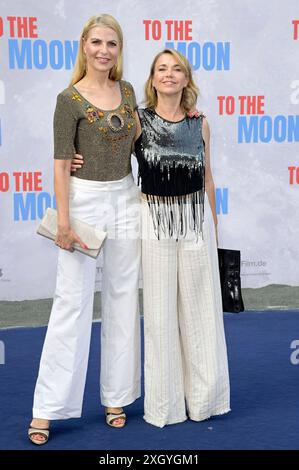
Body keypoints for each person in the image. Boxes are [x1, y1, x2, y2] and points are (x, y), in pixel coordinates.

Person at [72, 49, 230, 428]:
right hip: (154, 220)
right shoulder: (138, 121)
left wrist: (214, 224)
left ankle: (204, 401)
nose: (169, 75)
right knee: (159, 314)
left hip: (195, 220)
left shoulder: (201, 123)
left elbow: (208, 177)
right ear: (152, 78)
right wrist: (77, 158)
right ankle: (165, 406)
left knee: (201, 310)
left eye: (177, 69)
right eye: (162, 69)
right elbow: (110, 157)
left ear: (186, 79)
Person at [28, 14, 141, 445]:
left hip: (126, 198)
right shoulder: (68, 99)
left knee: (123, 296)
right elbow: (60, 164)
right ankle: (48, 409)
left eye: (112, 43)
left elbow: (134, 142)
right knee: (72, 303)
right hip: (84, 203)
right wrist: (64, 220)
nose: (104, 51)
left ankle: (118, 396)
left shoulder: (128, 91)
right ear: (83, 45)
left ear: (119, 48)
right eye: (97, 42)